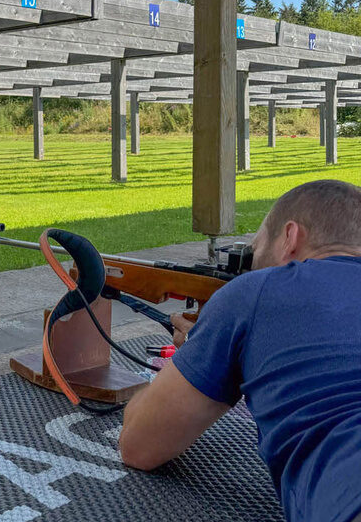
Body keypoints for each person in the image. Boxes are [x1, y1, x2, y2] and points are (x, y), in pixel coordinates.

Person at [118, 180, 361, 522]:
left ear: (290, 238)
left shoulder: (257, 291)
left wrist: (207, 354)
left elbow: (139, 445)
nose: (250, 263)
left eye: (256, 249)